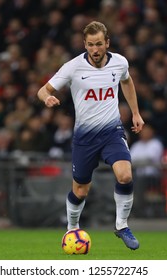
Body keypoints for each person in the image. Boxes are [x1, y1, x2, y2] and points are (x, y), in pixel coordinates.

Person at [37, 21, 144, 250]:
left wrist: (135, 112)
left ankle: (122, 225)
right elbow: (43, 89)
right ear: (84, 44)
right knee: (80, 190)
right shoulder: (73, 67)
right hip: (84, 138)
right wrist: (47, 98)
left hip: (112, 132)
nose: (95, 50)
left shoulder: (119, 62)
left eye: (98, 44)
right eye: (90, 45)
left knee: (125, 175)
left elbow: (127, 81)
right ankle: (72, 227)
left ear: (107, 43)